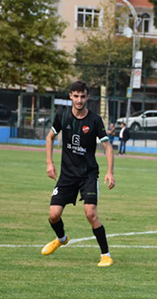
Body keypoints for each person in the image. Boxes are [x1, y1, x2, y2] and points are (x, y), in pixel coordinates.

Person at [41, 81, 115, 267]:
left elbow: (107, 147)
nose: (79, 100)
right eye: (76, 96)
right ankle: (61, 238)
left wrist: (110, 172)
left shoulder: (95, 120)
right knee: (53, 215)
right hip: (67, 175)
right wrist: (49, 163)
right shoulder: (62, 116)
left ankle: (106, 255)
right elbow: (49, 137)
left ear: (87, 97)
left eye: (83, 96)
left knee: (90, 214)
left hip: (88, 175)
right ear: (70, 96)